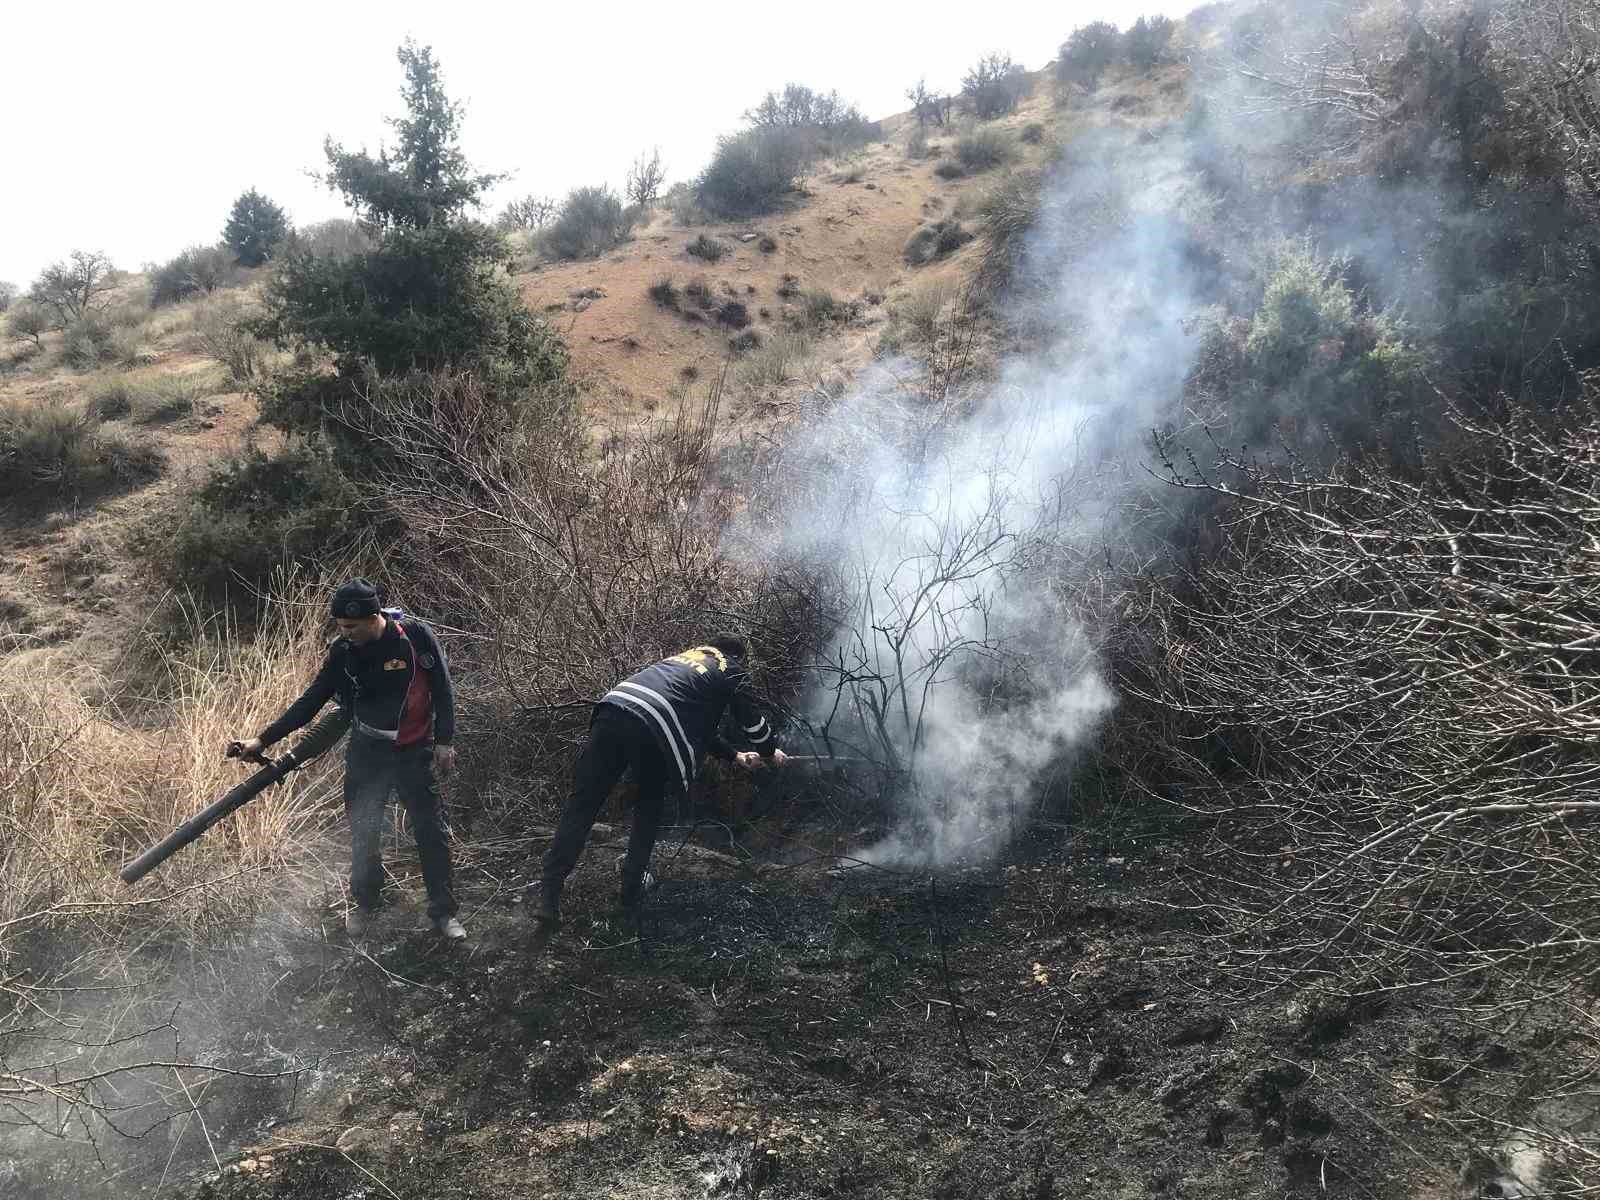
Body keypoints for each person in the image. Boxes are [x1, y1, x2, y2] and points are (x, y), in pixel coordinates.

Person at [229, 578, 465, 941]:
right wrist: (262, 739)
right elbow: (312, 701)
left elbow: (443, 688)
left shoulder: (415, 637)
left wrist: (445, 741)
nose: (346, 633)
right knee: (364, 832)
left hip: (414, 751)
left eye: (352, 627)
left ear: (375, 618)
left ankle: (444, 914)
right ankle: (368, 905)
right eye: (341, 627)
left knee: (431, 832)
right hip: (367, 753)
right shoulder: (344, 652)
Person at [534, 636, 788, 933]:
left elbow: (693, 722)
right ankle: (630, 894)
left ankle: (549, 897)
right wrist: (770, 753)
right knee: (648, 809)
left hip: (613, 709)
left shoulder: (683, 659)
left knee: (582, 805)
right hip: (653, 729)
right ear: (738, 657)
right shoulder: (731, 668)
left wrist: (734, 755)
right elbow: (752, 721)